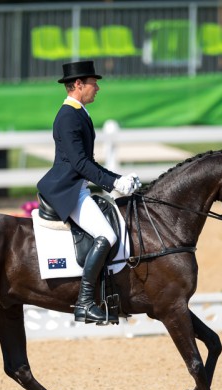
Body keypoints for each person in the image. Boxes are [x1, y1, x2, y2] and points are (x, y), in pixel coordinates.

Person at [37, 60, 141, 324]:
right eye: (94, 83)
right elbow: (79, 163)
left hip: (76, 185)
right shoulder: (68, 116)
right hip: (67, 190)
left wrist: (118, 179)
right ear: (79, 84)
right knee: (106, 234)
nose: (98, 88)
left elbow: (87, 162)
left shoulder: (79, 111)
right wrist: (114, 183)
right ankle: (84, 303)